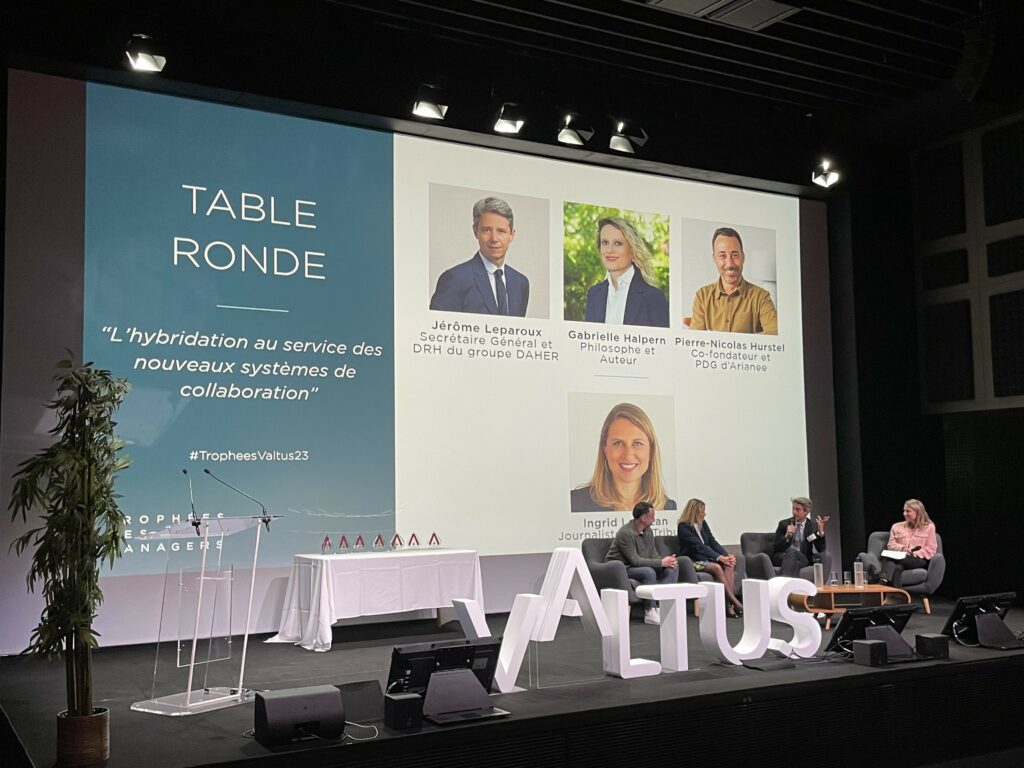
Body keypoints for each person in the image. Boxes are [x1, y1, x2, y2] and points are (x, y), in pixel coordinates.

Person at [430, 196, 530, 316]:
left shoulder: (520, 283)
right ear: (475, 231)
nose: (494, 239)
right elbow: (438, 331)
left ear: (511, 235)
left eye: (501, 231)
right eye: (486, 230)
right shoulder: (455, 279)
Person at [570, 402, 676, 513]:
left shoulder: (669, 508)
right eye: (618, 443)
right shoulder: (575, 503)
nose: (628, 454)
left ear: (651, 451)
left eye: (638, 443)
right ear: (605, 449)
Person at [583, 217, 669, 328]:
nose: (609, 250)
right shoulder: (594, 294)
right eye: (605, 242)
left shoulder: (653, 297)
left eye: (618, 243)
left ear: (632, 251)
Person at [689, 227, 778, 334]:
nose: (730, 264)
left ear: (743, 257)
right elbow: (696, 341)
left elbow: (774, 333)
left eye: (735, 255)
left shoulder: (761, 297)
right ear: (714, 259)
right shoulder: (702, 296)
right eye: (722, 256)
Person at [606, 502, 678, 625]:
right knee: (648, 572)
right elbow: (635, 560)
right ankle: (649, 611)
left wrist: (666, 562)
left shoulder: (648, 531)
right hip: (621, 568)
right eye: (652, 517)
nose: (654, 520)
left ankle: (661, 607)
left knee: (672, 567)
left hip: (636, 566)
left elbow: (653, 553)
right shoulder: (626, 533)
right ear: (643, 518)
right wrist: (660, 562)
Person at [676, 498, 743, 618]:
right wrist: (719, 558)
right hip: (692, 560)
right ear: (694, 512)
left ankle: (728, 605)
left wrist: (726, 556)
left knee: (729, 564)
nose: (704, 514)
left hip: (707, 558)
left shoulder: (703, 524)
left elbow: (712, 542)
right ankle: (734, 602)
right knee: (716, 567)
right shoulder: (683, 527)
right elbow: (698, 547)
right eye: (702, 512)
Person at [878, 499, 938, 586]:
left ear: (918, 512)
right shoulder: (896, 527)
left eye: (908, 511)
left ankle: (882, 581)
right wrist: (903, 548)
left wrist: (913, 552)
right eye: (904, 511)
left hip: (918, 559)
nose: (904, 513)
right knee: (898, 567)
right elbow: (891, 545)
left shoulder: (929, 527)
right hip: (900, 557)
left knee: (890, 558)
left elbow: (931, 549)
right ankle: (896, 590)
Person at [771, 496, 828, 577]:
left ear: (806, 512)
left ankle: (784, 581)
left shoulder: (812, 526)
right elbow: (776, 548)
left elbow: (821, 549)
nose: (794, 512)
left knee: (793, 553)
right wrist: (786, 535)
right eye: (793, 509)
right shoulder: (784, 524)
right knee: (791, 552)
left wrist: (820, 532)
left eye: (797, 509)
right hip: (783, 557)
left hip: (802, 557)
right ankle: (790, 583)